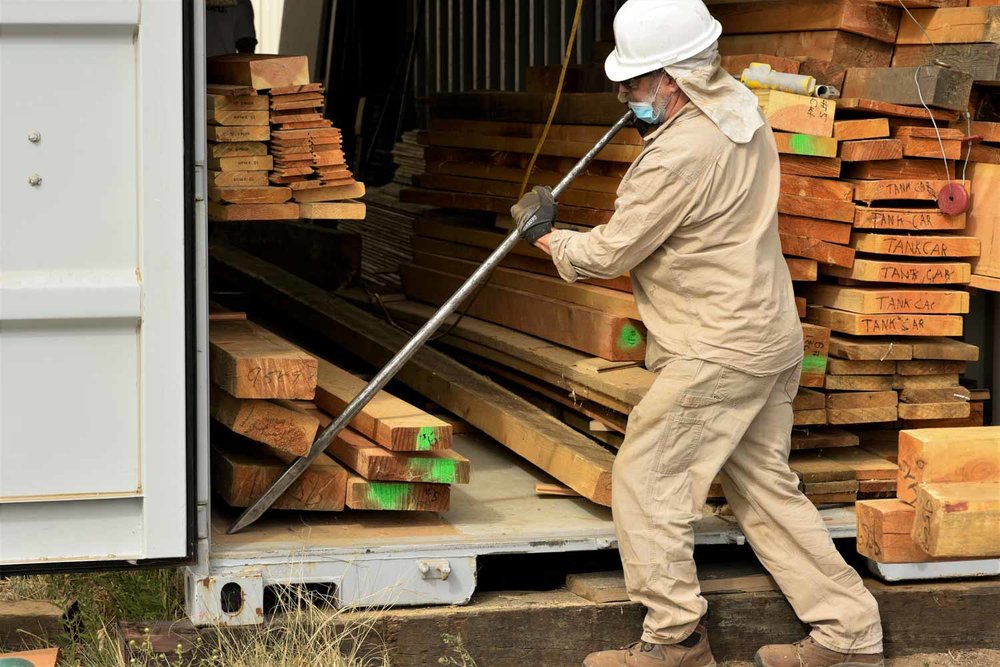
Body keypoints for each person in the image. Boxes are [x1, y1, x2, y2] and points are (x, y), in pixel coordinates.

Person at [509, 1, 884, 666]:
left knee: (647, 479)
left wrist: (544, 234)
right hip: (768, 334)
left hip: (719, 349)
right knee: (763, 486)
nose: (624, 94)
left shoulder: (676, 156)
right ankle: (850, 634)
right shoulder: (740, 106)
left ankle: (674, 641)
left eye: (635, 82)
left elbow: (608, 254)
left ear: (676, 80)